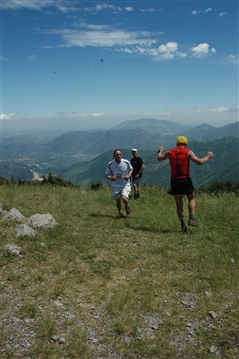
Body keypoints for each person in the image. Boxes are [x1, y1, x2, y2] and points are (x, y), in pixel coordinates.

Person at [157, 136, 213, 233]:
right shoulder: (188, 152)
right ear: (186, 144)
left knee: (179, 204)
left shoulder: (170, 152)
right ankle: (191, 219)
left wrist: (160, 151)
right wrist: (208, 156)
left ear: (176, 144)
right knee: (191, 198)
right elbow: (199, 162)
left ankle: (182, 224)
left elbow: (159, 158)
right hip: (185, 179)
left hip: (174, 180)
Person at [105, 149, 133, 217]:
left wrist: (128, 176)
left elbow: (131, 169)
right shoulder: (110, 164)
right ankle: (120, 212)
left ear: (122, 155)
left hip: (125, 184)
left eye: (120, 154)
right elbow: (106, 174)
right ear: (114, 156)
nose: (118, 156)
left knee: (124, 198)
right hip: (116, 184)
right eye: (117, 155)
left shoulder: (126, 162)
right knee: (118, 200)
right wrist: (111, 178)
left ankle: (126, 206)